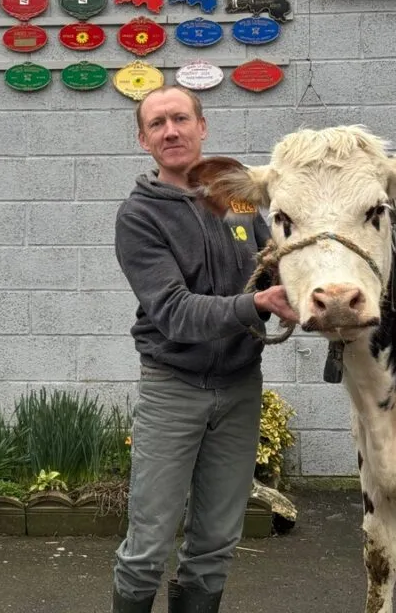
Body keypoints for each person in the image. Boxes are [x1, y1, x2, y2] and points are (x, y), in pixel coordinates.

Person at [110, 86, 298, 613]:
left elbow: (272, 263)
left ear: (202, 126)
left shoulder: (236, 198)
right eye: (157, 124)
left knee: (215, 543)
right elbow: (175, 313)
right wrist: (258, 304)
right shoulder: (140, 216)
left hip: (240, 386)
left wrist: (312, 285)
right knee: (147, 548)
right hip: (174, 388)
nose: (171, 131)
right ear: (143, 139)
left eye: (180, 119)